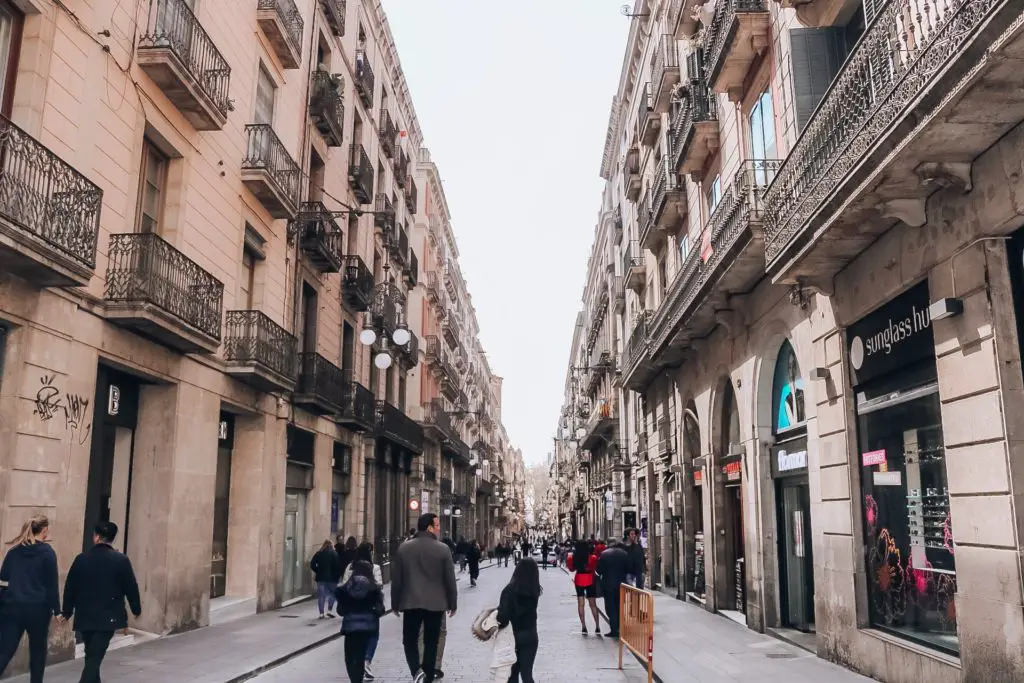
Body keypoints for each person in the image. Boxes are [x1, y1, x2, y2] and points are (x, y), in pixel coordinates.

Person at [62, 522, 141, 683]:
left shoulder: (81, 559)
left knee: (92, 655)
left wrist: (67, 611)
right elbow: (131, 587)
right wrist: (136, 609)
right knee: (94, 658)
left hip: (85, 616)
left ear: (97, 537)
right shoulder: (121, 560)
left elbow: (70, 587)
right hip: (108, 617)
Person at [392, 513, 457, 683]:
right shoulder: (443, 549)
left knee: (409, 640)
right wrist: (453, 603)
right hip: (436, 604)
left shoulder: (404, 548)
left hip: (410, 602)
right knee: (431, 642)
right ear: (429, 527)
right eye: (436, 525)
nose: (439, 528)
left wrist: (395, 603)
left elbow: (397, 580)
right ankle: (426, 676)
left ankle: (416, 670)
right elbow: (450, 579)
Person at [0, 516, 60, 683]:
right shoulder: (47, 553)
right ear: (45, 531)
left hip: (11, 607)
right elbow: (51, 584)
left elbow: (3, 581)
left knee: (5, 650)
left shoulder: (13, 552)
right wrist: (57, 610)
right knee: (38, 652)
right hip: (38, 609)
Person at [340, 543, 383, 679]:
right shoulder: (375, 570)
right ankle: (367, 661)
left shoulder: (350, 568)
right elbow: (380, 604)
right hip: (369, 621)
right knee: (372, 639)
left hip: (351, 623)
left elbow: (341, 607)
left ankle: (355, 677)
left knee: (350, 654)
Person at [496, 558, 542, 683]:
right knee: (527, 675)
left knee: (512, 676)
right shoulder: (534, 590)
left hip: (513, 636)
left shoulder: (509, 590)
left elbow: (503, 618)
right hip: (531, 635)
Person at [596, 541, 630, 639]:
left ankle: (614, 629)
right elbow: (628, 568)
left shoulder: (604, 554)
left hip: (608, 585)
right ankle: (620, 627)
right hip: (621, 584)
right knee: (619, 605)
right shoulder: (624, 554)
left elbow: (598, 571)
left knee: (610, 607)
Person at [566, 541, 600, 635]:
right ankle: (597, 626)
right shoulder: (592, 557)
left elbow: (571, 569)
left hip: (579, 579)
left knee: (581, 604)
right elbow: (594, 568)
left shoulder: (573, 557)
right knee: (593, 604)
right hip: (590, 579)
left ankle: (584, 626)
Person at [311, 540, 342, 618]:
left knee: (321, 596)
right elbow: (338, 566)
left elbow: (312, 564)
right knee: (333, 594)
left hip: (321, 578)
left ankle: (321, 613)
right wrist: (338, 576)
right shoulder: (335, 554)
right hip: (332, 578)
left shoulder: (319, 553)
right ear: (331, 545)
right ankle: (329, 611)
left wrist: (317, 570)